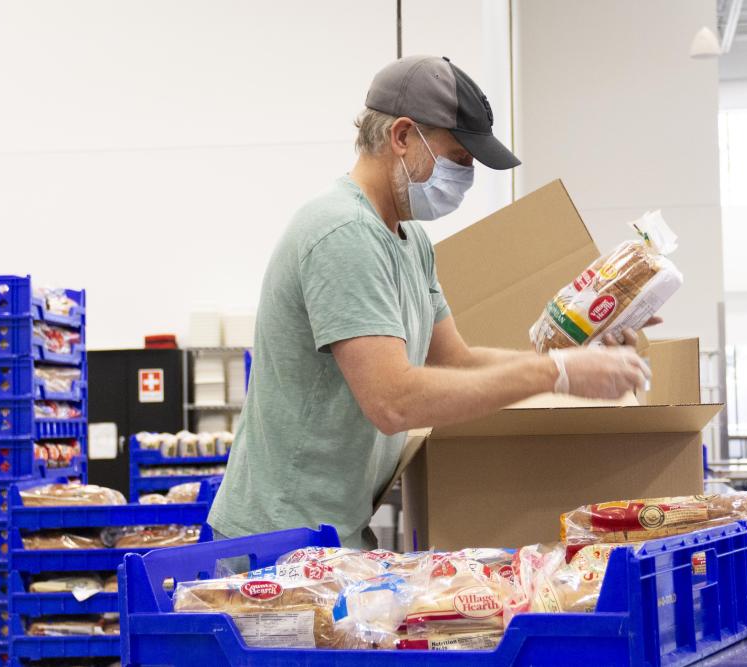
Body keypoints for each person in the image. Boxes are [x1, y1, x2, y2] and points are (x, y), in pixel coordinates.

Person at [207, 56, 653, 550]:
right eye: (459, 158)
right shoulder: (343, 233)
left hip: (335, 530)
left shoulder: (408, 240)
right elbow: (394, 401)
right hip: (278, 539)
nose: (464, 176)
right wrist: (556, 376)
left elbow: (456, 361)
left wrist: (573, 359)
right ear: (401, 136)